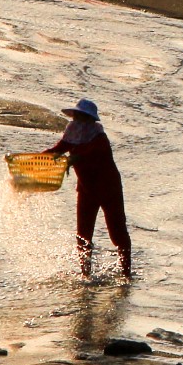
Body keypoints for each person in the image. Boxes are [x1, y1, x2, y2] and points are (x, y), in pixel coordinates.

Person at [43, 98, 132, 279]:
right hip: (86, 189)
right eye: (76, 116)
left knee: (117, 233)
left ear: (91, 120)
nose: (77, 121)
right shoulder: (74, 132)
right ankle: (86, 274)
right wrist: (33, 158)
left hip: (109, 190)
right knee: (83, 235)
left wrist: (70, 160)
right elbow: (58, 150)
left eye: (81, 117)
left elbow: (83, 155)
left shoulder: (100, 139)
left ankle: (126, 273)